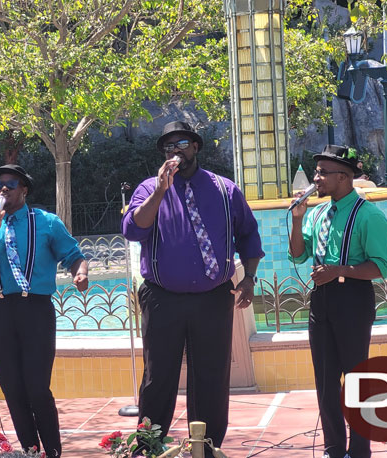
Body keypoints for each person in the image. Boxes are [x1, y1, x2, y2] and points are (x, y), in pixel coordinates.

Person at [121, 121, 264, 456]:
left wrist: (249, 278)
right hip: (162, 298)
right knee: (159, 375)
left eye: (182, 143)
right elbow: (132, 230)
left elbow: (249, 234)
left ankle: (207, 446)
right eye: (168, 146)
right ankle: (150, 446)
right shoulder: (147, 190)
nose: (175, 150)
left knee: (212, 374)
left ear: (196, 147)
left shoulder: (225, 189)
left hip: (213, 298)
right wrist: (160, 190)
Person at [0, 164, 88, 458]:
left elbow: (74, 255)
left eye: (11, 183)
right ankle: (31, 451)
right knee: (13, 390)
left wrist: (80, 273)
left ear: (24, 189)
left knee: (37, 388)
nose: (3, 188)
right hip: (1, 312)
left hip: (36, 310)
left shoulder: (47, 222)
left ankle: (54, 451)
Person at [288, 145, 387, 458]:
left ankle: (360, 450)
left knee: (356, 378)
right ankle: (333, 449)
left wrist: (339, 271)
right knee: (325, 379)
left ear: (344, 177)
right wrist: (297, 220)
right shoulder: (318, 213)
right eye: (316, 171)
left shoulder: (369, 215)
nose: (316, 178)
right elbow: (298, 254)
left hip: (353, 299)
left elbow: (382, 267)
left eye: (322, 173)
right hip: (321, 300)